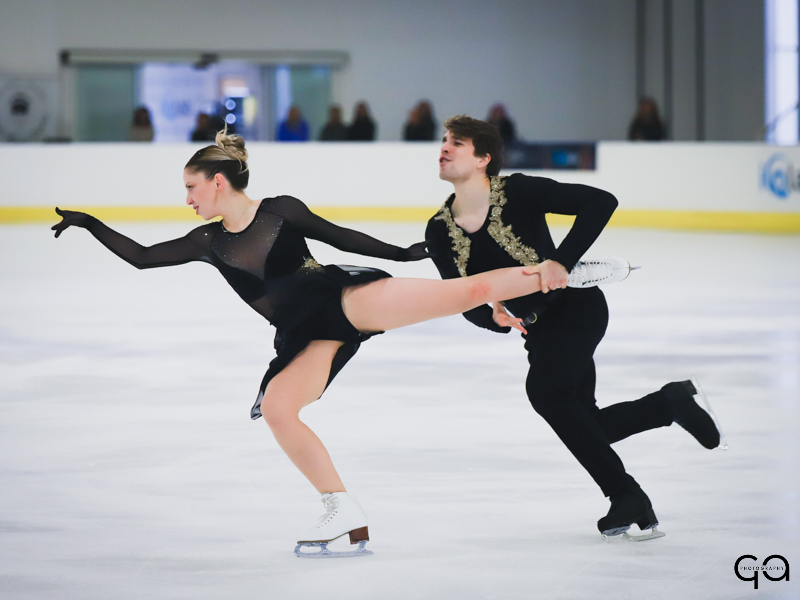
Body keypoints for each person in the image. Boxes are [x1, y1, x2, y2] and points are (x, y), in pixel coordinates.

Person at [51, 128, 569, 558]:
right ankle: (341, 508)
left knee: (466, 292)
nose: (188, 199)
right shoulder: (207, 241)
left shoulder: (280, 210)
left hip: (346, 300)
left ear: (217, 182)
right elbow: (142, 257)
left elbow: (340, 237)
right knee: (279, 408)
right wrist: (90, 223)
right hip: (304, 335)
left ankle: (559, 272)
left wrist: (403, 254)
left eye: (192, 187)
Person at [425, 115, 723, 541]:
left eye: (456, 142)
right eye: (443, 140)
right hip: (537, 331)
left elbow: (601, 201)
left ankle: (625, 495)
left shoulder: (519, 191)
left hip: (576, 308)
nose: (444, 147)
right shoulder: (439, 230)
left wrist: (561, 261)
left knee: (545, 392)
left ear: (483, 158)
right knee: (586, 424)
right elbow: (458, 295)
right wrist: (490, 316)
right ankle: (669, 405)